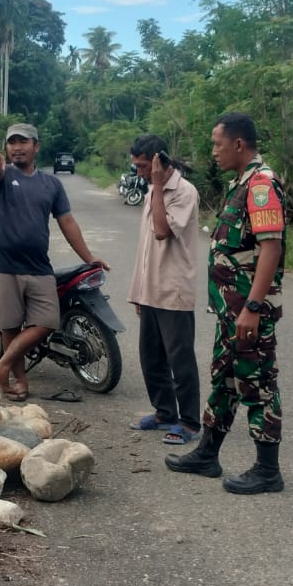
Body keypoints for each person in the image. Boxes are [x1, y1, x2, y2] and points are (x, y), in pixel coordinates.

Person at [166, 112, 289, 495]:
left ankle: (268, 470)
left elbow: (271, 248)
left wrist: (252, 307)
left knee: (258, 382)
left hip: (248, 311)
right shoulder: (241, 183)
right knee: (225, 380)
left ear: (238, 144)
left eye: (218, 144)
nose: (214, 152)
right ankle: (208, 454)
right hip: (230, 311)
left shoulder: (261, 185)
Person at [0, 122, 108, 401]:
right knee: (9, 326)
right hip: (3, 265)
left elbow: (68, 222)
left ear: (36, 146)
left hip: (38, 266)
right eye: (12, 142)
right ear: (6, 148)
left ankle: (1, 366)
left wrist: (89, 258)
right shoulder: (2, 175)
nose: (17, 147)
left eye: (23, 142)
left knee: (48, 321)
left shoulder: (51, 184)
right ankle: (20, 381)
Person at [124, 134, 202, 445]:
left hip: (173, 290)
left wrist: (157, 185)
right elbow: (146, 248)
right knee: (151, 357)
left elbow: (160, 231)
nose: (139, 172)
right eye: (136, 166)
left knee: (180, 359)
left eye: (144, 166)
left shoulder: (184, 192)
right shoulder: (151, 192)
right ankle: (164, 413)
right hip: (151, 290)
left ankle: (190, 422)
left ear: (159, 162)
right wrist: (139, 291)